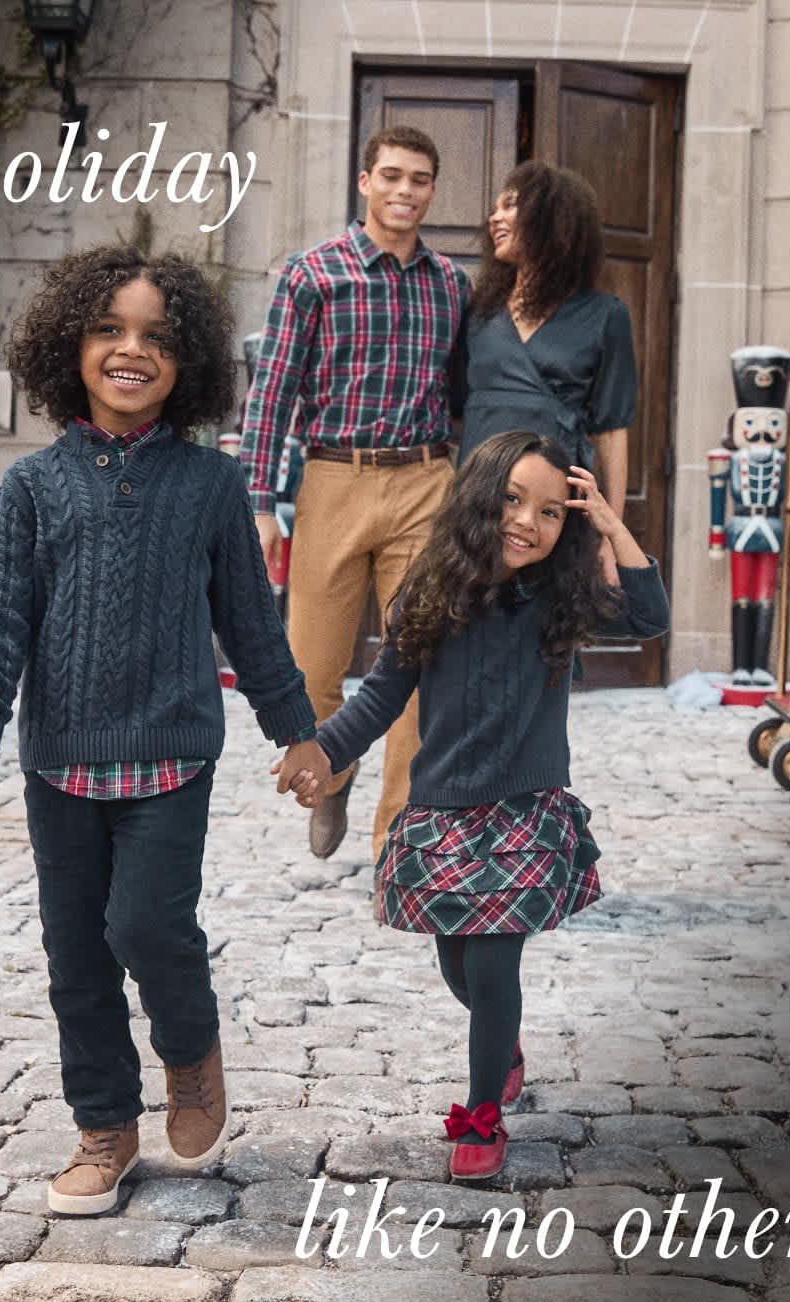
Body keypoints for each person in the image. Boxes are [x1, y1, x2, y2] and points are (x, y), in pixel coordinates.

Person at [0, 246, 318, 1216]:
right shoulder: (33, 487)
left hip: (172, 754)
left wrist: (300, 733)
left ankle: (190, 1053)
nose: (131, 350)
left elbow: (250, 622)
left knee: (146, 925)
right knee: (77, 957)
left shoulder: (209, 487)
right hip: (61, 761)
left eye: (155, 335)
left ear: (187, 359)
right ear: (70, 346)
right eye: (110, 329)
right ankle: (104, 1129)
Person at [275, 430, 670, 1183]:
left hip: (523, 812)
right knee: (457, 965)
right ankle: (506, 1043)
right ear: (481, 497)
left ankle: (481, 1112)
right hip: (442, 810)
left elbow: (647, 615)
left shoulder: (561, 595)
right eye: (514, 500)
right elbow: (384, 694)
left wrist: (610, 525)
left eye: (552, 512)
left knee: (492, 970)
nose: (528, 521)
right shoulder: (430, 589)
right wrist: (322, 753)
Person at [240, 125, 470, 863]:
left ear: (432, 190)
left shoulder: (451, 285)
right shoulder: (312, 274)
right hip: (333, 477)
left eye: (420, 179)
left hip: (425, 480)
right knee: (310, 668)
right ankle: (333, 770)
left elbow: (466, 392)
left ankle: (395, 840)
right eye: (393, 176)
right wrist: (258, 503)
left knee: (418, 661)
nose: (406, 191)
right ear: (364, 182)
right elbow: (270, 394)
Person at [458, 161, 637, 571]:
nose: (494, 218)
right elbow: (455, 414)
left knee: (549, 625)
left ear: (551, 218)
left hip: (555, 505)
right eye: (495, 208)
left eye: (510, 206)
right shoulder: (477, 313)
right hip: (477, 502)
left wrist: (611, 534)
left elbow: (611, 431)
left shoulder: (605, 315)